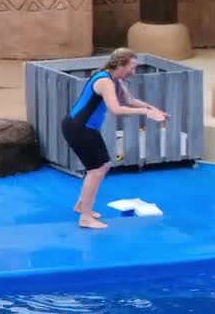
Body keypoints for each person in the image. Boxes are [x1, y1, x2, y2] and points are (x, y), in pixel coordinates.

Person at [61, 47, 168, 230]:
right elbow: (116, 109)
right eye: (131, 68)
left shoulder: (115, 79)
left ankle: (81, 205)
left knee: (102, 166)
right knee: (96, 170)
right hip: (79, 129)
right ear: (120, 65)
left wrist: (153, 110)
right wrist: (145, 113)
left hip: (86, 128)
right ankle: (86, 218)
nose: (133, 73)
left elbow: (129, 100)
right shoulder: (104, 81)